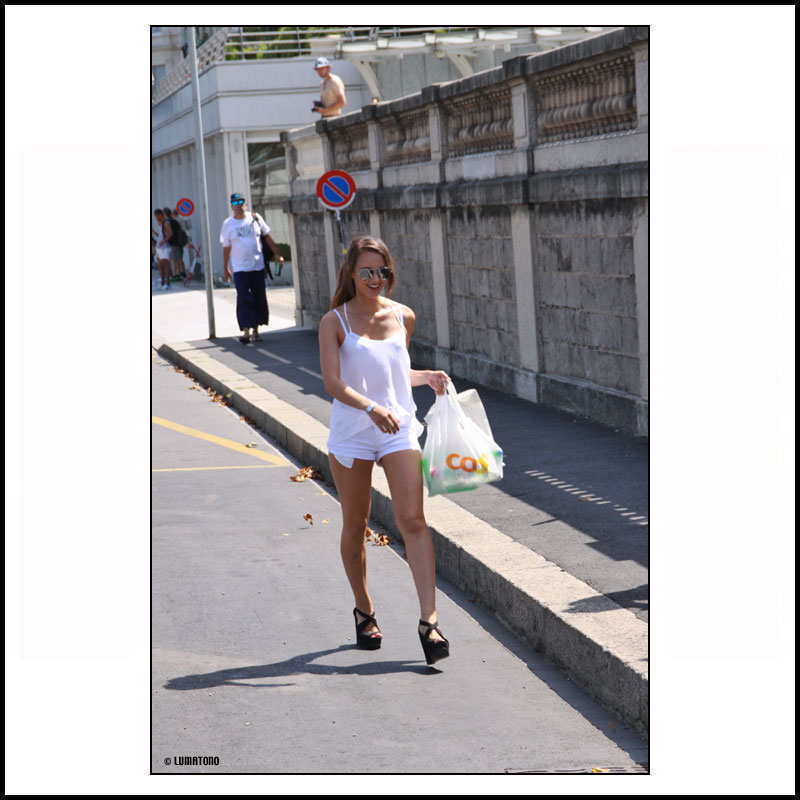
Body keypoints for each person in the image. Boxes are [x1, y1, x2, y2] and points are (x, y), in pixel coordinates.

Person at [318, 236, 452, 666]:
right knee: (356, 523)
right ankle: (364, 610)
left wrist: (426, 376)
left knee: (412, 519)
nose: (376, 278)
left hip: (397, 427)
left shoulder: (402, 315)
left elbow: (393, 372)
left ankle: (429, 622)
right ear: (351, 274)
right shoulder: (334, 321)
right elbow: (334, 382)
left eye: (382, 271)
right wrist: (371, 408)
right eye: (367, 271)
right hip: (354, 432)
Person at [220, 193, 284, 343]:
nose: (238, 205)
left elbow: (267, 237)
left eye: (241, 202)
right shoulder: (228, 224)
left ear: (246, 204)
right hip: (240, 268)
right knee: (243, 299)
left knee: (258, 298)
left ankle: (256, 331)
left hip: (257, 266)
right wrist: (225, 267)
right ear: (231, 206)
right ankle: (245, 332)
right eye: (235, 203)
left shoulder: (255, 218)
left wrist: (277, 254)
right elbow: (226, 247)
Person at [164, 208, 186, 280]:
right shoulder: (177, 221)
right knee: (179, 258)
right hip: (179, 241)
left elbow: (169, 233)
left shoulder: (168, 222)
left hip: (173, 242)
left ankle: (175, 274)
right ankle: (181, 272)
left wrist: (164, 240)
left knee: (173, 259)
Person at [153, 209, 172, 290]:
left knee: (165, 265)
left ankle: (168, 283)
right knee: (160, 266)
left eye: (156, 216)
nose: (156, 218)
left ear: (160, 215)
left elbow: (170, 233)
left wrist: (164, 241)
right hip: (159, 247)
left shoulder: (166, 223)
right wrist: (153, 231)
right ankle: (163, 282)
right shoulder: (160, 223)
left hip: (164, 248)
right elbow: (160, 235)